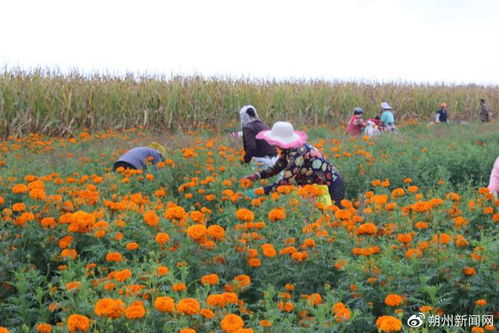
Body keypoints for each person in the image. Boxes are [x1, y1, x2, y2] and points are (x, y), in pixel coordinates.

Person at [242, 121, 345, 207]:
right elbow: (276, 168)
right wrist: (257, 176)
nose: (274, 144)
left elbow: (286, 182)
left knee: (333, 218)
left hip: (331, 186)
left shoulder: (296, 152)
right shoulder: (288, 150)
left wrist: (261, 191)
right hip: (315, 188)